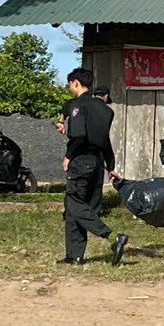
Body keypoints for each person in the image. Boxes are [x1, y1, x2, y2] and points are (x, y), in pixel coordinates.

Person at [60, 68, 127, 266]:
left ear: (76, 83)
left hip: (81, 161)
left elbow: (79, 135)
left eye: (70, 85)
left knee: (74, 204)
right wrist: (110, 165)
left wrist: (68, 156)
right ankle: (74, 255)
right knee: (76, 208)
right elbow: (105, 140)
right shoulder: (105, 110)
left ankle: (112, 237)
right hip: (97, 163)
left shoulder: (78, 105)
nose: (70, 89)